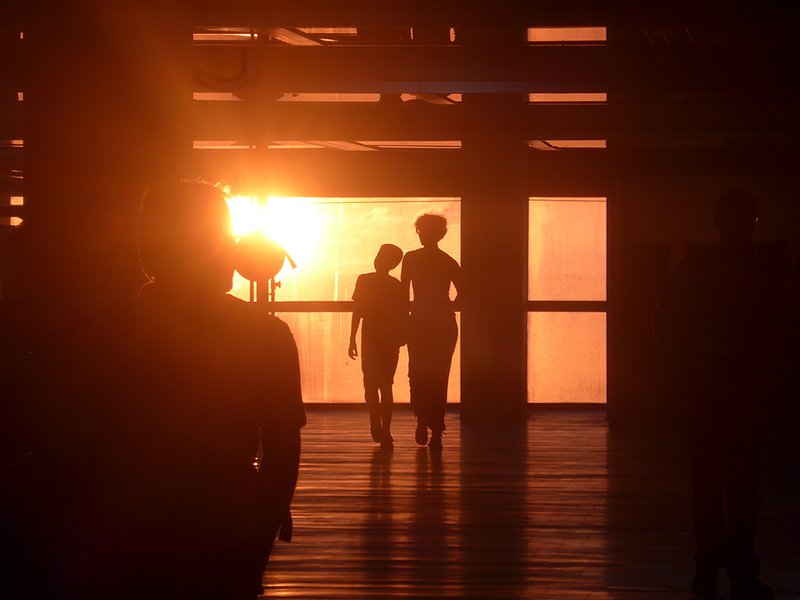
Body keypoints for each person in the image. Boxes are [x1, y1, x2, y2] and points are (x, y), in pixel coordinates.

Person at [81, 179, 306, 599]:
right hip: (226, 514)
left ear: (146, 247)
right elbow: (282, 444)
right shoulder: (266, 334)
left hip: (127, 519)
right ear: (226, 249)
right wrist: (265, 523)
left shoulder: (106, 334)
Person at [652, 189, 785, 600]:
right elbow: (778, 335)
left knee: (707, 485)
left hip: (706, 394)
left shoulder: (697, 267)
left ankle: (707, 568)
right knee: (744, 489)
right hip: (745, 395)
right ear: (751, 222)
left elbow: (665, 323)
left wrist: (684, 375)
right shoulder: (762, 271)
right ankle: (742, 573)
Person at [401, 213, 463, 451]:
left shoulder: (411, 259)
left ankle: (423, 420)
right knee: (438, 375)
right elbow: (465, 293)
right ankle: (435, 427)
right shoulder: (448, 261)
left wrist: (403, 319)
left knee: (417, 373)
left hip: (419, 322)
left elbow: (403, 295)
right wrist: (448, 306)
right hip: (443, 324)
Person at [349, 243, 406, 450]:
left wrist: (352, 337)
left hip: (373, 337)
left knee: (373, 384)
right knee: (383, 385)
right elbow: (401, 314)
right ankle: (383, 427)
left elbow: (358, 310)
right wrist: (352, 338)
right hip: (384, 339)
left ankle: (378, 422)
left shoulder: (365, 280)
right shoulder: (396, 285)